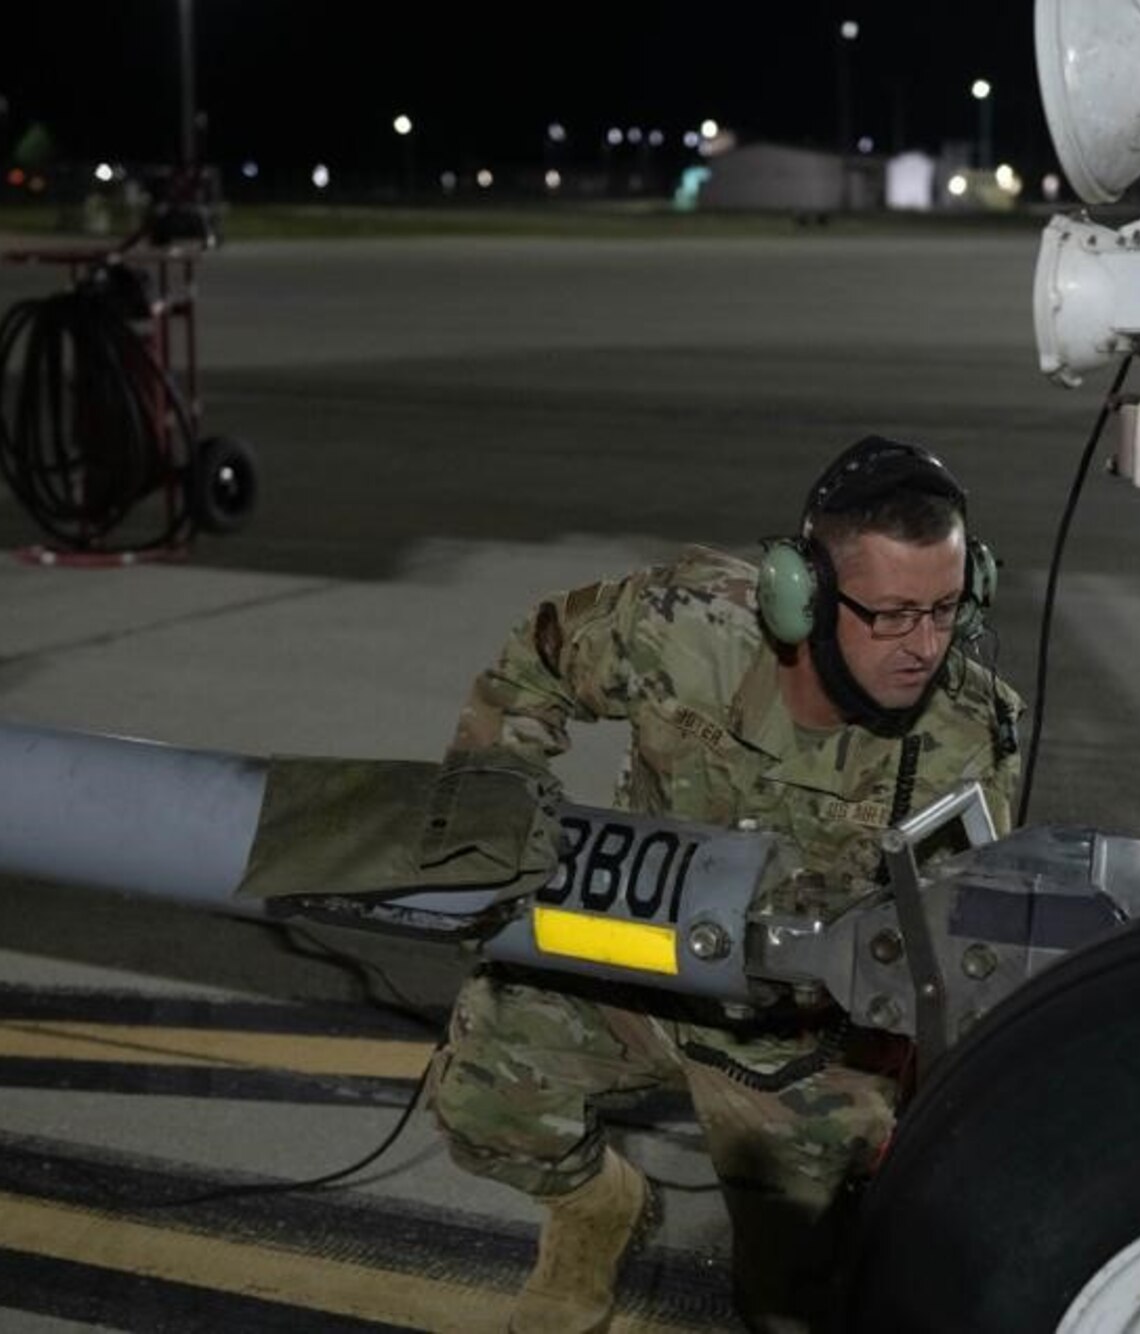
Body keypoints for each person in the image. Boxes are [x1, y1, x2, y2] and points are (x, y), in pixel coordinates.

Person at [430, 436, 1024, 1333]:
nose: (926, 647)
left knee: (795, 1310)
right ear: (804, 598)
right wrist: (498, 797)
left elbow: (951, 964)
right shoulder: (683, 625)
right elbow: (538, 664)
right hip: (632, 968)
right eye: (894, 615)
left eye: (947, 610)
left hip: (802, 1043)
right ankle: (595, 1209)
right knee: (479, 1100)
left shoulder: (967, 740)